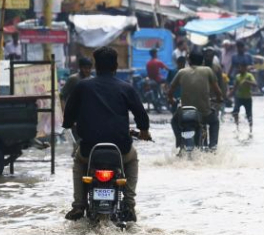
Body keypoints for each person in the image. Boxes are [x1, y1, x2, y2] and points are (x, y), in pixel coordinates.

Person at [62, 47, 151, 222]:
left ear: (95, 66)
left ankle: (79, 205)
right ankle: (129, 203)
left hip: (89, 151)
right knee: (133, 159)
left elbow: (68, 117)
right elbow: (141, 114)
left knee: (79, 163)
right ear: (116, 66)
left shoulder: (82, 86)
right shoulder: (126, 88)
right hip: (120, 151)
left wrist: (69, 123)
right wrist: (144, 131)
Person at [168, 51, 224, 150]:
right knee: (215, 122)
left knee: (174, 122)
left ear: (189, 61)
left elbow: (170, 92)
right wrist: (219, 99)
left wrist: (171, 100)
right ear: (202, 61)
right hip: (205, 113)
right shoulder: (208, 70)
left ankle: (179, 142)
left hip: (186, 112)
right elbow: (218, 91)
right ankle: (213, 146)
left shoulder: (182, 71)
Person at [231, 63, 257, 131]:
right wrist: (228, 95)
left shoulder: (249, 75)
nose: (241, 69)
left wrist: (247, 82)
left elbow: (255, 84)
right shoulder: (237, 76)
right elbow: (235, 87)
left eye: (242, 68)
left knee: (249, 115)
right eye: (240, 68)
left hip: (247, 98)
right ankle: (237, 127)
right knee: (235, 112)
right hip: (238, 97)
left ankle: (250, 129)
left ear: (245, 68)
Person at [203, 47, 226, 118]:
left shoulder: (217, 67)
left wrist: (222, 96)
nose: (208, 57)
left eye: (211, 55)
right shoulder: (200, 67)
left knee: (214, 117)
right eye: (207, 55)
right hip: (202, 95)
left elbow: (221, 83)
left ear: (213, 56)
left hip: (214, 96)